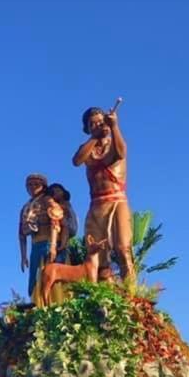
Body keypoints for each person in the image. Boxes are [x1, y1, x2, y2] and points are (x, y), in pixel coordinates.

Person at [72, 106, 134, 285]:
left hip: (116, 200)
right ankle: (103, 294)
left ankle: (132, 296)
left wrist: (114, 127)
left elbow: (121, 153)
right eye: (92, 124)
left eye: (100, 121)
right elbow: (77, 161)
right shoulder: (88, 148)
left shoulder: (114, 143)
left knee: (123, 249)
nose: (97, 125)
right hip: (96, 205)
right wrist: (95, 137)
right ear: (87, 128)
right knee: (97, 254)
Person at [18, 173, 53, 297]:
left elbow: (56, 221)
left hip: (49, 243)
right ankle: (37, 306)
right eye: (30, 185)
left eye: (36, 184)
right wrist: (23, 256)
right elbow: (21, 234)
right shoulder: (25, 207)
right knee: (34, 280)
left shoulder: (48, 200)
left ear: (43, 186)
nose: (33, 187)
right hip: (35, 246)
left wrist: (54, 245)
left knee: (50, 277)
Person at [46, 183, 77, 263]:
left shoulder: (65, 203)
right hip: (65, 226)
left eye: (58, 190)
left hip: (69, 224)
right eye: (54, 192)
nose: (56, 193)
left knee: (65, 226)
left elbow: (66, 210)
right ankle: (63, 244)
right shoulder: (58, 204)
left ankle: (63, 244)